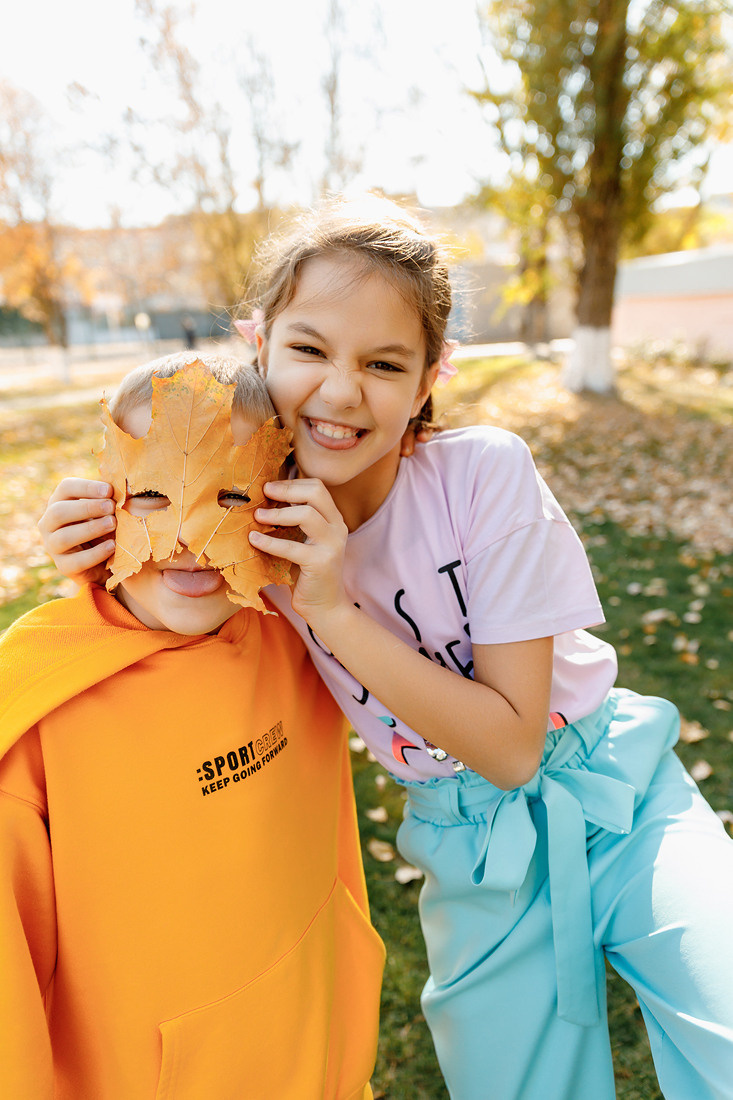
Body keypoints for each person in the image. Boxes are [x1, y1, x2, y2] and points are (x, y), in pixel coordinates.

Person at [38, 197, 733, 1100]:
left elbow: (515, 746)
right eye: (309, 350)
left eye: (383, 363)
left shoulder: (483, 475)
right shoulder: (244, 530)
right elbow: (160, 610)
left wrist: (333, 612)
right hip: (462, 842)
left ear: (429, 377)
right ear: (260, 346)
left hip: (613, 789)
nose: (338, 391)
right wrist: (91, 556)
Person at [3, 351, 384, 1100]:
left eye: (232, 493)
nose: (189, 538)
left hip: (314, 1050)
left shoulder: (303, 630)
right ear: (97, 497)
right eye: (150, 494)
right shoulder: (35, 710)